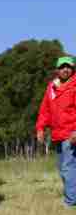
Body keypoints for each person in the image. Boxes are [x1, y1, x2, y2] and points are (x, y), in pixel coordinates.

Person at [36, 56, 76, 207]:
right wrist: (40, 128)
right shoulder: (52, 87)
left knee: (68, 167)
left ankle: (71, 202)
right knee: (63, 168)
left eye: (69, 67)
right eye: (62, 67)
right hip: (57, 134)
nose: (65, 69)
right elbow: (45, 110)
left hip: (71, 134)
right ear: (57, 70)